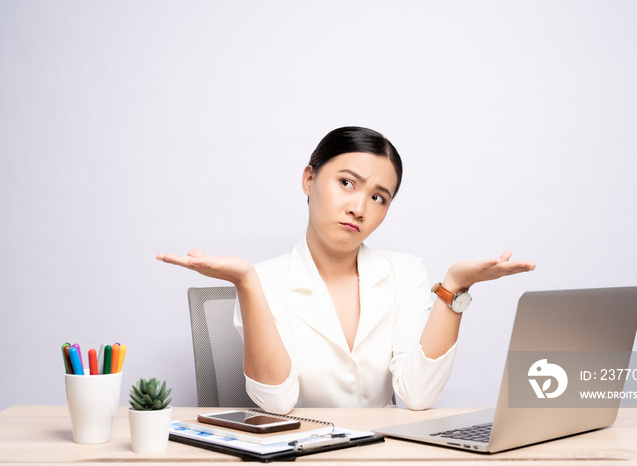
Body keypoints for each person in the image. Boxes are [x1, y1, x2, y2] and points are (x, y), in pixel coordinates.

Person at [157, 126, 535, 414]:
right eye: (346, 183)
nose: (359, 208)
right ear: (309, 179)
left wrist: (454, 286)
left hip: (381, 454)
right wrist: (245, 283)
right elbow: (276, 402)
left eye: (377, 197)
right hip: (299, 452)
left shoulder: (405, 272)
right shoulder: (262, 280)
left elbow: (418, 395)